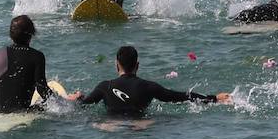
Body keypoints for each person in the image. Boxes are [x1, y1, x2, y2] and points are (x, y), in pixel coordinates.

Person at [67, 45, 231, 117]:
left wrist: (78, 97)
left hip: (111, 127)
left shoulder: (105, 86)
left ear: (117, 65)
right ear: (137, 65)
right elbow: (179, 97)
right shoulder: (148, 87)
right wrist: (214, 98)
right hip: (141, 126)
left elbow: (83, 105)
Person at [0, 14, 52, 113]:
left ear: (11, 35)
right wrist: (61, 102)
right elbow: (42, 89)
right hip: (23, 112)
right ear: (31, 34)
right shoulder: (37, 56)